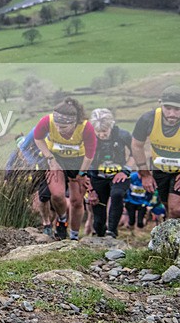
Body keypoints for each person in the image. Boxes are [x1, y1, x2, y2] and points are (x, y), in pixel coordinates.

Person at [33, 97, 97, 241]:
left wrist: (82, 173)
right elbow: (38, 138)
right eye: (56, 125)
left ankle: (74, 235)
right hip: (55, 157)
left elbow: (90, 154)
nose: (58, 129)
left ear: (74, 123)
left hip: (78, 161)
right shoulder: (46, 121)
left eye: (63, 127)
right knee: (56, 194)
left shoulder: (86, 127)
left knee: (76, 200)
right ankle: (62, 219)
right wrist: (50, 158)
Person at [131, 85, 180, 219]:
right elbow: (136, 145)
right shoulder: (148, 119)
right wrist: (145, 173)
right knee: (167, 207)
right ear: (160, 105)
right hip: (160, 169)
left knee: (176, 209)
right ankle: (168, 237)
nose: (172, 114)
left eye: (177, 109)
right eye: (168, 108)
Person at [85, 108, 133, 238]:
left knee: (117, 194)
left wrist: (125, 170)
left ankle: (112, 231)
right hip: (96, 177)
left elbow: (135, 153)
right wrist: (89, 189)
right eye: (98, 132)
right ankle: (100, 233)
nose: (101, 135)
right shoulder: (88, 138)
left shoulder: (123, 135)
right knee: (98, 213)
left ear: (111, 126)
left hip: (118, 175)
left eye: (104, 131)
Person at [5, 128, 53, 235]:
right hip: (23, 185)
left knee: (41, 200)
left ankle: (47, 224)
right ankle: (35, 223)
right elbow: (8, 169)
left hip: (38, 179)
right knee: (32, 204)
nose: (23, 152)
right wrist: (7, 180)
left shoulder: (35, 152)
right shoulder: (14, 156)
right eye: (21, 149)